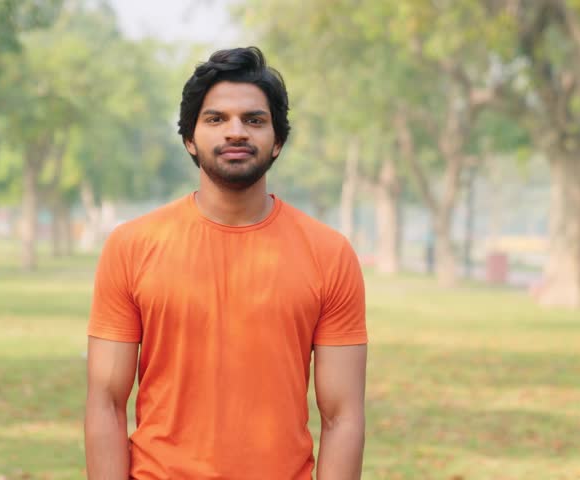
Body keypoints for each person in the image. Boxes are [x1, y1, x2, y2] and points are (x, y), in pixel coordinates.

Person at [84, 46, 368, 480]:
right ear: (190, 140)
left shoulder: (329, 254)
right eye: (216, 119)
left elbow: (343, 415)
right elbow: (105, 401)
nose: (236, 132)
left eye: (254, 120)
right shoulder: (132, 246)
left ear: (277, 143)